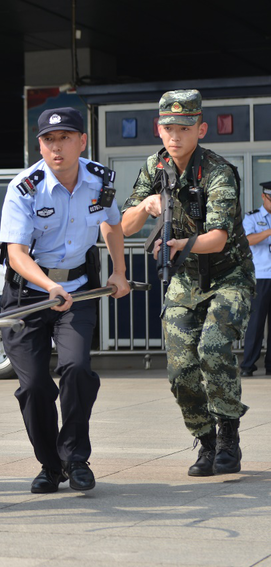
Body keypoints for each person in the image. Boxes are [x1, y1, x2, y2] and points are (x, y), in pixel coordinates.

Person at [121, 89, 254, 476]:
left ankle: (229, 434)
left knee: (213, 348)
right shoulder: (154, 168)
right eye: (168, 127)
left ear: (201, 129)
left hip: (229, 275)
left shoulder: (217, 171)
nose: (175, 135)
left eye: (184, 126)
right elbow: (123, 224)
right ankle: (206, 441)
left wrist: (180, 243)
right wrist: (145, 206)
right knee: (181, 368)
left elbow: (218, 238)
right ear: (158, 131)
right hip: (184, 278)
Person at [0, 107, 130, 494]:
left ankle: (75, 457)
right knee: (35, 385)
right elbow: (16, 254)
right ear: (39, 144)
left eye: (65, 138)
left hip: (80, 290)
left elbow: (112, 223)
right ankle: (50, 464)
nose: (56, 148)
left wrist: (118, 272)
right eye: (48, 140)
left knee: (76, 369)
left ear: (82, 141)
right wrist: (48, 286)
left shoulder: (99, 180)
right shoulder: (24, 187)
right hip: (30, 294)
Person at [240, 181, 271, 377]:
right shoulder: (253, 217)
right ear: (264, 197)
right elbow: (247, 240)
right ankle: (248, 365)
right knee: (256, 322)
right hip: (260, 276)